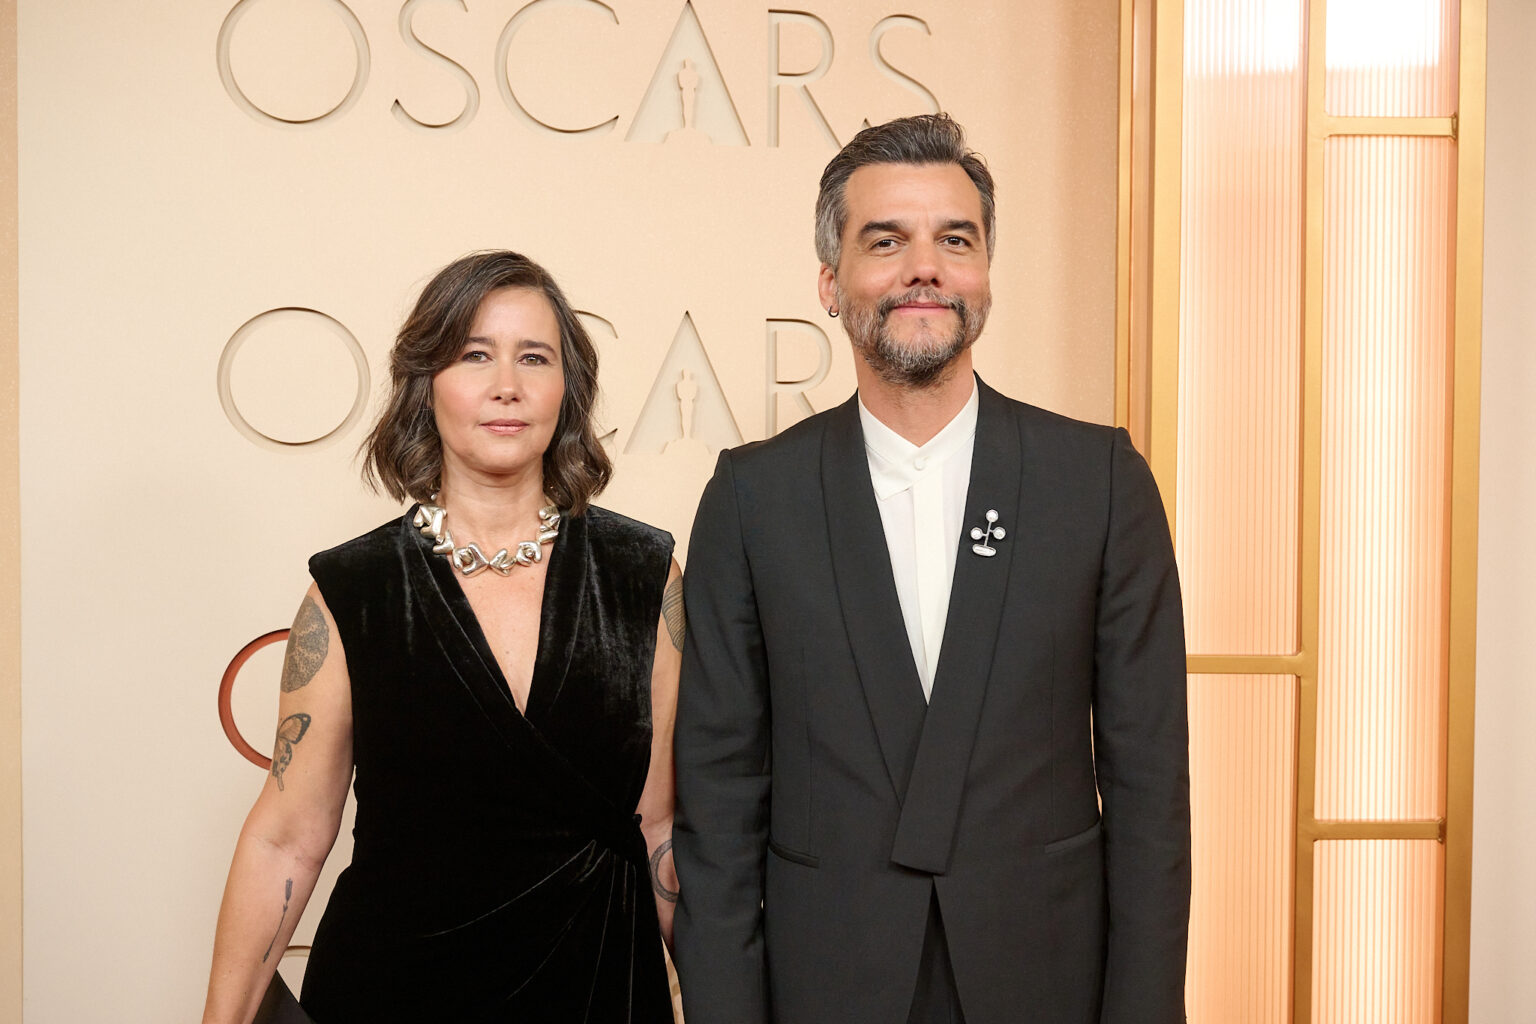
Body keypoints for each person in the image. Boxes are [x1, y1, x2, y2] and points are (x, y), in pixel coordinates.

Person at [672, 114, 1190, 1024]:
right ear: (830, 283)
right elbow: (718, 807)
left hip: (1046, 978)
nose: (926, 267)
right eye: (887, 241)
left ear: (985, 275)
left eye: (957, 239)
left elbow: (1152, 795)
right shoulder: (755, 499)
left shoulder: (1098, 481)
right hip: (827, 981)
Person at [202, 251, 683, 1024]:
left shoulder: (643, 575)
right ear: (427, 385)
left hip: (595, 986)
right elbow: (287, 839)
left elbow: (659, 823)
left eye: (535, 357)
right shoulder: (351, 591)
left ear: (569, 388)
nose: (507, 385)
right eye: (473, 355)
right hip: (393, 989)